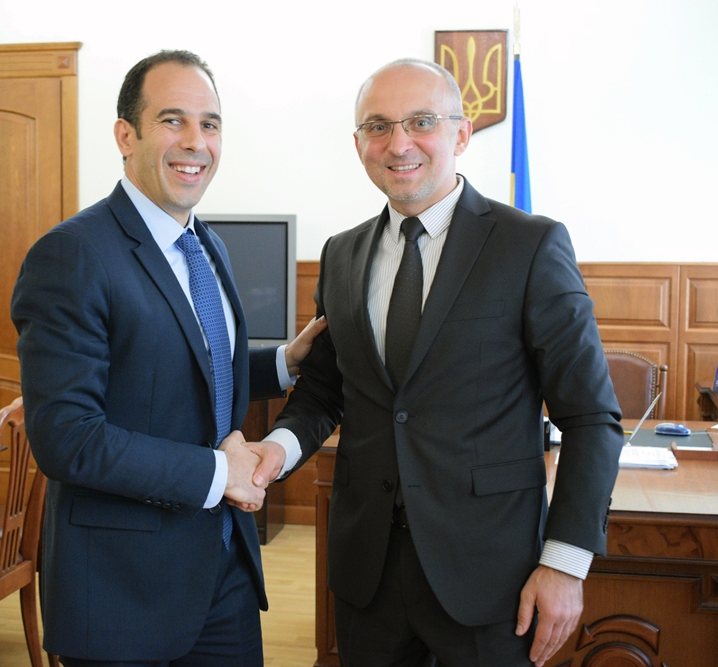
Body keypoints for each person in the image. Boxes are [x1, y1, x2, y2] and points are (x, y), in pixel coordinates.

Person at [249, 59, 624, 667]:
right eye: (378, 126)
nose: (398, 144)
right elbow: (322, 394)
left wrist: (565, 563)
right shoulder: (341, 255)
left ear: (461, 133)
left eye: (421, 121)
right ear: (358, 144)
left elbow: (590, 419)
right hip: (367, 574)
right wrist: (276, 449)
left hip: (491, 578)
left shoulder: (529, 245)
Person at [11, 50, 325, 666]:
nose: (195, 142)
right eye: (172, 120)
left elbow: (182, 371)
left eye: (210, 124)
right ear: (125, 136)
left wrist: (284, 362)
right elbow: (66, 438)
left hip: (225, 572)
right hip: (124, 592)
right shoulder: (72, 255)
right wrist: (219, 473)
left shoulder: (206, 244)